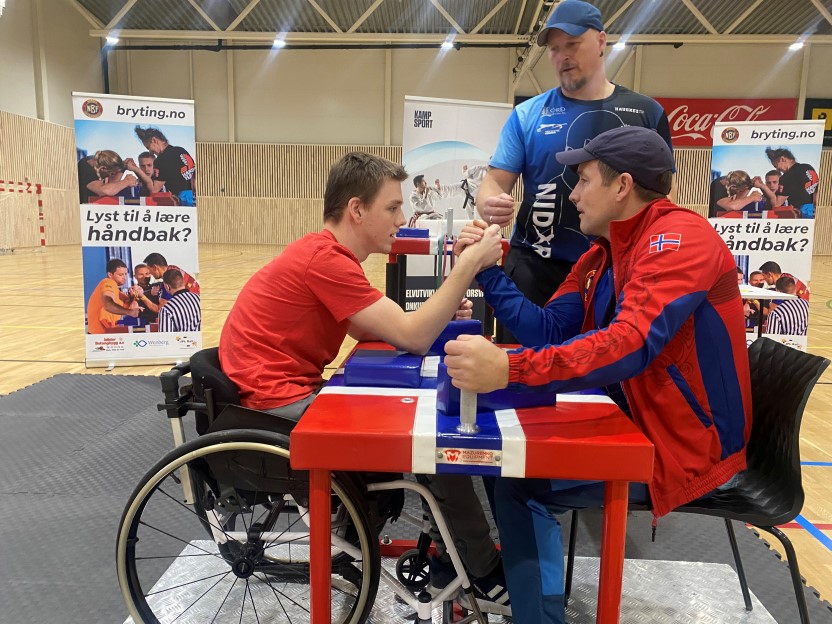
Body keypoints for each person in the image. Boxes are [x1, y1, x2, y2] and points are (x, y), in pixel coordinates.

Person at [448, 126, 751, 624]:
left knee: (519, 482)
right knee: (506, 463)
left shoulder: (681, 239)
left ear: (621, 185)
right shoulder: (600, 254)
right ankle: (525, 598)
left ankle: (535, 613)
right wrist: (487, 269)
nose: (573, 193)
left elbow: (629, 345)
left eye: (584, 179)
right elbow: (547, 330)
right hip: (633, 419)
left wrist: (511, 368)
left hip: (685, 446)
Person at [219, 151, 511, 614]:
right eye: (392, 208)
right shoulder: (326, 260)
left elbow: (378, 328)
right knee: (428, 435)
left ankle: (452, 551)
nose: (402, 216)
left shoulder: (329, 256)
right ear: (357, 210)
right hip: (272, 405)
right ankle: (479, 567)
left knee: (418, 419)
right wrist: (468, 266)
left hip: (279, 390)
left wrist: (431, 318)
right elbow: (411, 336)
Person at [476, 0, 672, 342]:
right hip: (535, 268)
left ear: (600, 41)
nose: (562, 56)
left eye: (572, 44)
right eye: (553, 49)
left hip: (617, 271)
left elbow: (662, 198)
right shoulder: (528, 115)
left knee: (605, 379)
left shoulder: (646, 112)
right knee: (520, 376)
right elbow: (494, 182)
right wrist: (490, 202)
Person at [135, 126, 196, 206]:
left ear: (154, 140)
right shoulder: (180, 150)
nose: (150, 152)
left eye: (148, 147)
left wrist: (136, 169)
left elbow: (154, 190)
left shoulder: (161, 160)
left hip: (182, 201)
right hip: (196, 198)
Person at [86, 258, 140, 333]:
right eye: (120, 274)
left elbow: (128, 305)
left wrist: (134, 296)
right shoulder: (109, 282)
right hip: (100, 336)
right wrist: (129, 312)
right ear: (110, 274)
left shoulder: (116, 290)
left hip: (104, 334)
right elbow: (108, 304)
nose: (124, 277)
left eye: (125, 274)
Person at [765, 147, 819, 218]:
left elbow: (776, 204)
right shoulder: (808, 167)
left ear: (782, 159)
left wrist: (763, 187)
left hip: (803, 213)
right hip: (817, 209)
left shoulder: (786, 177)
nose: (777, 169)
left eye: (776, 166)